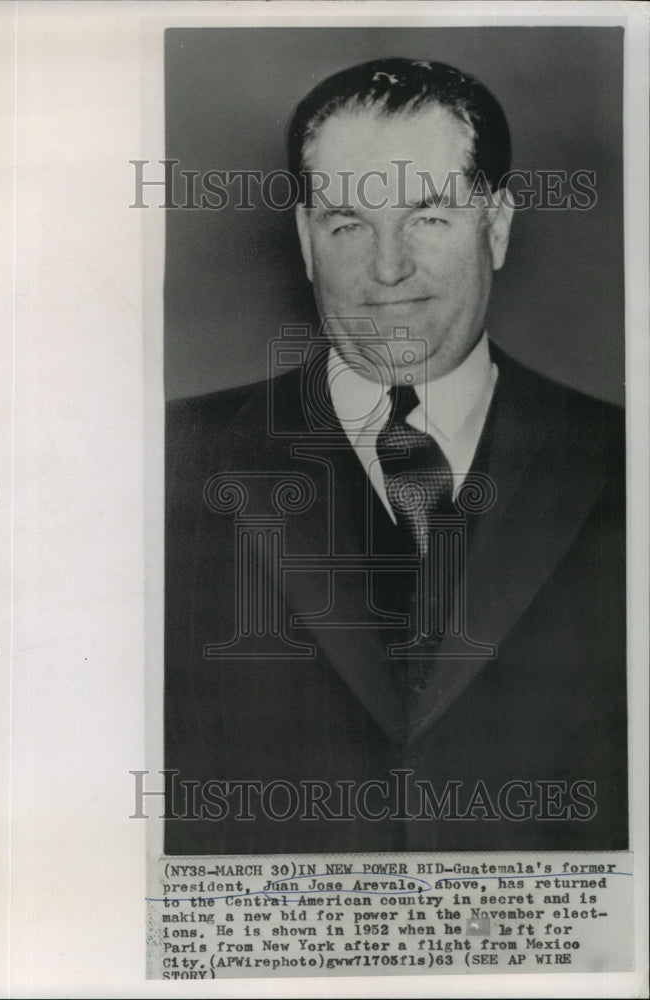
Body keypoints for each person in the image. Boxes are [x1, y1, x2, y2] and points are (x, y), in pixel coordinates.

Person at [164, 59, 627, 854]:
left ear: (499, 224)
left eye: (429, 218)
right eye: (348, 224)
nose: (387, 269)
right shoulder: (173, 464)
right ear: (306, 242)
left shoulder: (624, 463)